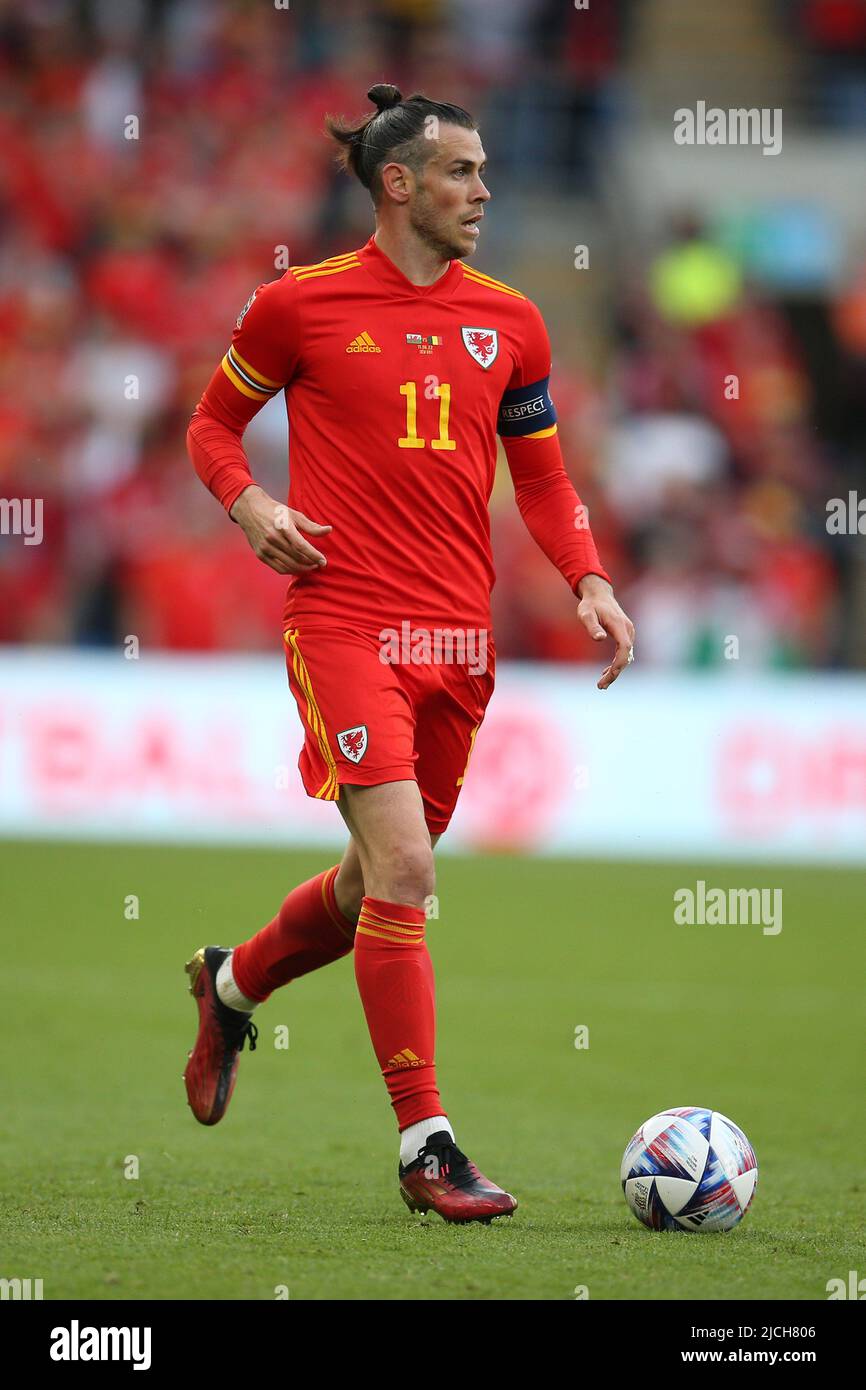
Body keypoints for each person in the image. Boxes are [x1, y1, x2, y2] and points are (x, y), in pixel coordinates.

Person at [184, 83, 635, 1223]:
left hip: (455, 639)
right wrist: (248, 507)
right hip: (339, 620)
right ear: (399, 184)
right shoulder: (301, 306)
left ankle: (229, 982)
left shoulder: (512, 321)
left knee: (370, 883)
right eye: (462, 172)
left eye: (483, 172)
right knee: (408, 875)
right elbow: (209, 427)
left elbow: (539, 477)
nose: (484, 190)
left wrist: (586, 575)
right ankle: (426, 1146)